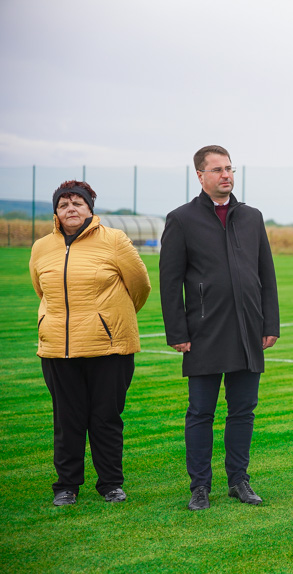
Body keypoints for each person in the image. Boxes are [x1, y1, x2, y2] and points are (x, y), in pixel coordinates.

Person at [160, 145, 280, 511]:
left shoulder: (252, 217)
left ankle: (239, 481)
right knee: (200, 412)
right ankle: (200, 486)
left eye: (229, 169)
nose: (225, 175)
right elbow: (170, 281)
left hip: (248, 330)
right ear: (200, 176)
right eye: (217, 170)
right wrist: (177, 332)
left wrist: (269, 323)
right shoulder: (181, 219)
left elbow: (266, 275)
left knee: (243, 410)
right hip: (204, 332)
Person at [29, 180, 151, 506]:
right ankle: (66, 486)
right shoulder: (41, 247)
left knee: (105, 419)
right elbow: (42, 290)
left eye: (77, 203)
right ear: (56, 211)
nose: (71, 208)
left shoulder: (114, 240)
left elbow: (139, 286)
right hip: (58, 347)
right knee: (66, 420)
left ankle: (111, 484)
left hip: (109, 349)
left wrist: (109, 319)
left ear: (89, 208)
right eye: (63, 204)